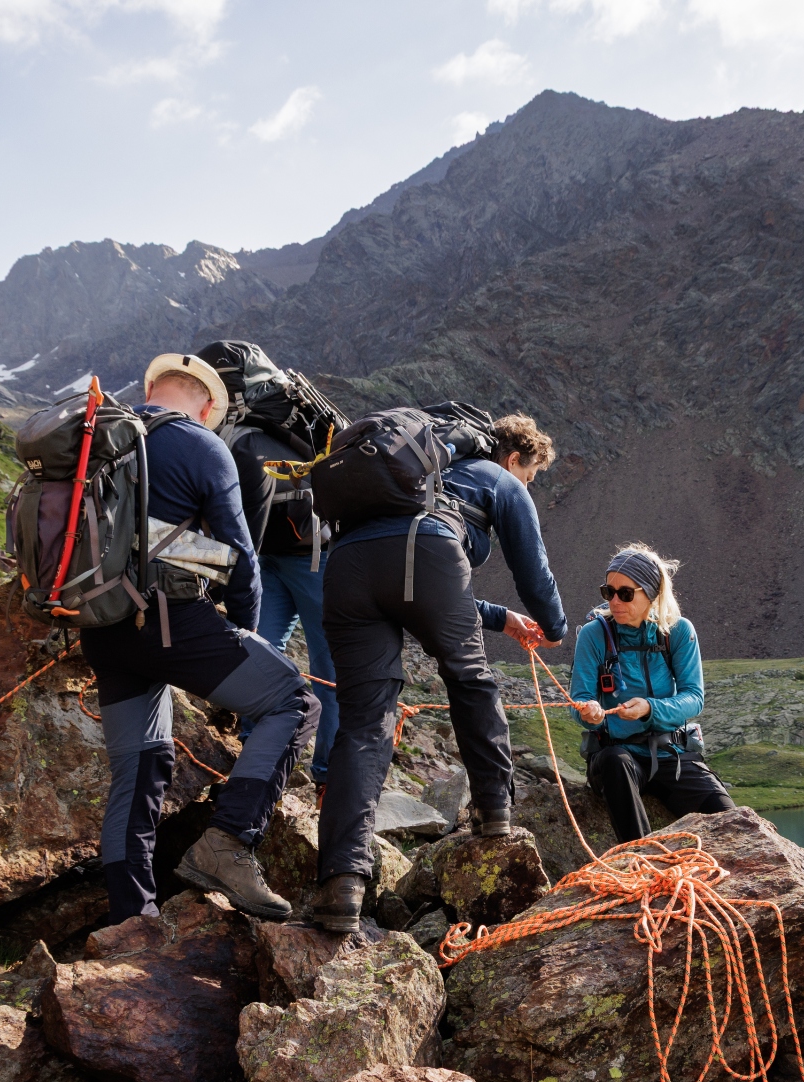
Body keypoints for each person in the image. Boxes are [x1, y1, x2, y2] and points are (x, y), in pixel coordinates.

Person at [80, 352, 319, 926]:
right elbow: (241, 562)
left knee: (138, 770)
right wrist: (241, 630)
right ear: (209, 407)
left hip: (101, 631)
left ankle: (131, 920)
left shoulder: (95, 438)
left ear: (149, 387)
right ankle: (227, 843)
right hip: (174, 625)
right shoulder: (201, 445)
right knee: (294, 702)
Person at [314, 412, 568, 932]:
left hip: (346, 566)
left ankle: (341, 883)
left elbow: (420, 579)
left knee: (364, 721)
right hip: (424, 553)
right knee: (469, 678)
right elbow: (531, 570)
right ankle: (495, 811)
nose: (527, 485)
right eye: (530, 476)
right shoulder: (497, 478)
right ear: (513, 458)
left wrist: (500, 618)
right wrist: (555, 626)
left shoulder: (412, 478)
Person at [201, 342, 340, 791]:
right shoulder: (257, 436)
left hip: (294, 557)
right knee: (322, 667)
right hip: (305, 555)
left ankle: (304, 768)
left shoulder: (240, 441)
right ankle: (315, 774)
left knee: (283, 653)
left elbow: (244, 539)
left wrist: (211, 590)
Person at [569, 544, 733, 845]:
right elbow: (578, 699)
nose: (615, 601)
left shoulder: (678, 631)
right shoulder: (594, 635)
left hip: (673, 754)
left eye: (626, 593)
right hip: (616, 756)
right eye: (609, 592)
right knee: (614, 761)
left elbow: (694, 697)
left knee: (730, 823)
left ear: (652, 593)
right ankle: (643, 862)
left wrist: (649, 708)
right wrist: (589, 713)